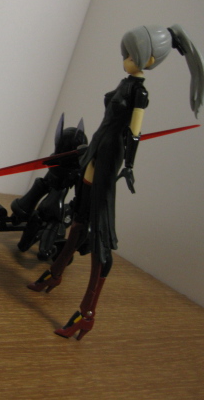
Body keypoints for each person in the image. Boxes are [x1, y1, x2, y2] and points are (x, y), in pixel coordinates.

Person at [29, 24, 204, 340]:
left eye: (132, 56)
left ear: (149, 59)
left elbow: (134, 132)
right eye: (125, 54)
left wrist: (130, 165)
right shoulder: (125, 83)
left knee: (100, 238)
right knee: (78, 220)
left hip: (110, 158)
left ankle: (87, 314)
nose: (126, 60)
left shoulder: (140, 93)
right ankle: (55, 274)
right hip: (96, 152)